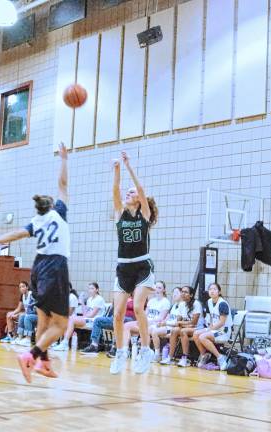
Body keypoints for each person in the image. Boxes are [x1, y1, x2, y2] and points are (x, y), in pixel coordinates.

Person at [0, 142, 70, 383]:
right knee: (61, 325)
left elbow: (14, 235)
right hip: (55, 266)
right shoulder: (58, 212)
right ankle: (31, 355)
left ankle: (44, 363)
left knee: (44, 320)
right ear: (51, 205)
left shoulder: (36, 221)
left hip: (37, 268)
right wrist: (64, 159)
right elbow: (63, 185)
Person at [109, 151, 159, 375]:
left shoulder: (144, 215)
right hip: (123, 268)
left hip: (142, 267)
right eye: (127, 192)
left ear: (139, 199)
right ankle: (121, 352)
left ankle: (146, 350)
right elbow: (115, 192)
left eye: (133, 192)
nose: (129, 193)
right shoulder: (120, 213)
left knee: (138, 307)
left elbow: (141, 190)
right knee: (118, 314)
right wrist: (117, 171)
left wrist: (129, 166)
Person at [52, 282, 106, 351]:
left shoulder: (99, 299)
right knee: (69, 319)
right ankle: (64, 343)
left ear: (97, 290)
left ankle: (64, 343)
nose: (90, 290)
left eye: (92, 288)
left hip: (95, 321)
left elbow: (91, 315)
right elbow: (85, 313)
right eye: (89, 288)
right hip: (88, 319)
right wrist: (83, 303)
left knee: (71, 319)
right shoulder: (89, 299)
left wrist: (82, 303)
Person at [120, 281, 170, 351]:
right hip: (146, 322)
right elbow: (145, 314)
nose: (157, 289)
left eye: (159, 288)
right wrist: (141, 320)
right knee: (126, 325)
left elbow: (161, 318)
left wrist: (147, 321)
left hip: (155, 324)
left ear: (164, 290)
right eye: (156, 287)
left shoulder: (166, 302)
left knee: (146, 330)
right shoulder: (151, 301)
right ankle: (125, 349)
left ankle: (145, 351)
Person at [160, 285, 202, 366]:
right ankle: (170, 357)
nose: (183, 293)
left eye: (186, 292)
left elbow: (194, 323)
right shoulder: (181, 304)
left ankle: (184, 358)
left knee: (183, 331)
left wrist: (181, 323)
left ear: (191, 295)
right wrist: (182, 323)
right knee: (174, 330)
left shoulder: (196, 304)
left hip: (198, 328)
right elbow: (178, 321)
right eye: (182, 291)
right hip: (186, 327)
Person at [193, 283, 231, 369]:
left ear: (219, 292)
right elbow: (209, 318)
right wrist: (209, 327)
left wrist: (210, 330)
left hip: (223, 330)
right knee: (196, 334)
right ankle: (204, 355)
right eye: (210, 289)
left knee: (202, 337)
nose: (212, 291)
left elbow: (221, 322)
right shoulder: (209, 302)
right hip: (213, 329)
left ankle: (220, 358)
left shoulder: (222, 304)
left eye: (214, 289)